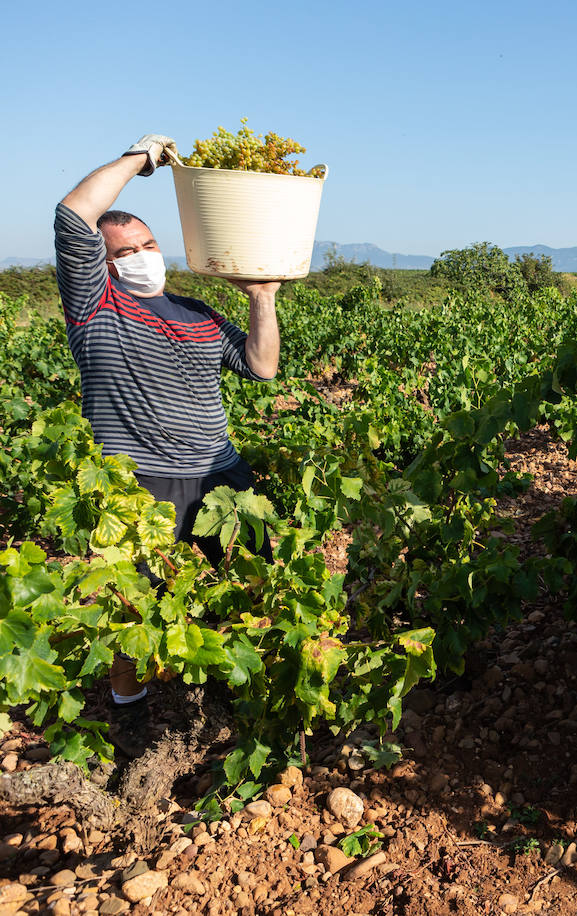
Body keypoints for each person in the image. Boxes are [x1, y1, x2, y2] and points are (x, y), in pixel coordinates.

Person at [54, 135, 281, 743]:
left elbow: (262, 367)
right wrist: (139, 159)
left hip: (220, 474)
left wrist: (263, 298)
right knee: (134, 605)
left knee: (247, 580)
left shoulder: (197, 311)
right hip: (141, 483)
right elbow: (72, 214)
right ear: (103, 264)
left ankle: (238, 696)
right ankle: (133, 712)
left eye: (150, 245)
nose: (143, 256)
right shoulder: (94, 307)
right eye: (127, 250)